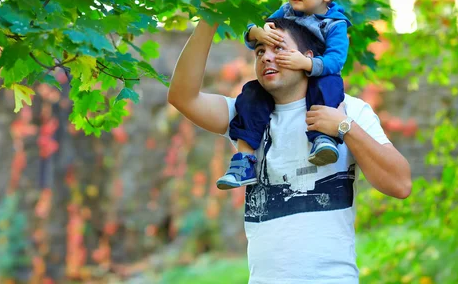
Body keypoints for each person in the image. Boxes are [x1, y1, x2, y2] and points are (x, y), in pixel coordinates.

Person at [167, 17, 411, 283]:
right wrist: (211, 15)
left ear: (307, 58)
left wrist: (345, 127)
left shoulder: (348, 111)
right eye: (260, 51)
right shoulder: (246, 116)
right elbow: (183, 97)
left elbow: (400, 184)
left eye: (278, 48)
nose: (266, 57)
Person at [218, 0, 351, 190]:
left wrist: (308, 64)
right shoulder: (285, 11)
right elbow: (259, 28)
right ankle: (245, 160)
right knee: (250, 94)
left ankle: (322, 138)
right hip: (283, 76)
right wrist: (256, 32)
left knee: (330, 84)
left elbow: (336, 60)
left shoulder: (335, 24)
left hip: (315, 73)